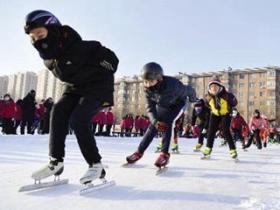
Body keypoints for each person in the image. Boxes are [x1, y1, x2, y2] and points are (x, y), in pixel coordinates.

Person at [24, 10, 118, 183]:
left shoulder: (78, 47)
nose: (38, 41)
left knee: (78, 119)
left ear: (52, 30)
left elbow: (111, 58)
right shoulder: (49, 59)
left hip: (98, 85)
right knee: (58, 111)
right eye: (34, 38)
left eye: (40, 34)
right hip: (75, 87)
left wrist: (108, 64)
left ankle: (96, 165)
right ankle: (56, 161)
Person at [126, 62, 196, 168]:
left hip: (178, 105)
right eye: (145, 82)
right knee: (153, 125)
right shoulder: (147, 89)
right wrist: (154, 121)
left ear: (159, 79)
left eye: (151, 81)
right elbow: (150, 107)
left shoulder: (173, 85)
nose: (148, 85)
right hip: (163, 106)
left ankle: (164, 154)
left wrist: (193, 99)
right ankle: (139, 152)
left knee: (167, 122)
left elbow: (189, 90)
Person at [202, 75, 238, 159]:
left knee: (226, 131)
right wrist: (212, 110)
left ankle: (232, 150)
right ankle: (208, 148)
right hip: (215, 114)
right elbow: (207, 105)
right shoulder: (207, 97)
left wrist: (231, 106)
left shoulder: (226, 95)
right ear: (209, 88)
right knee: (211, 131)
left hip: (225, 114)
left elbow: (235, 103)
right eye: (212, 87)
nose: (214, 89)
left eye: (216, 87)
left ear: (220, 87)